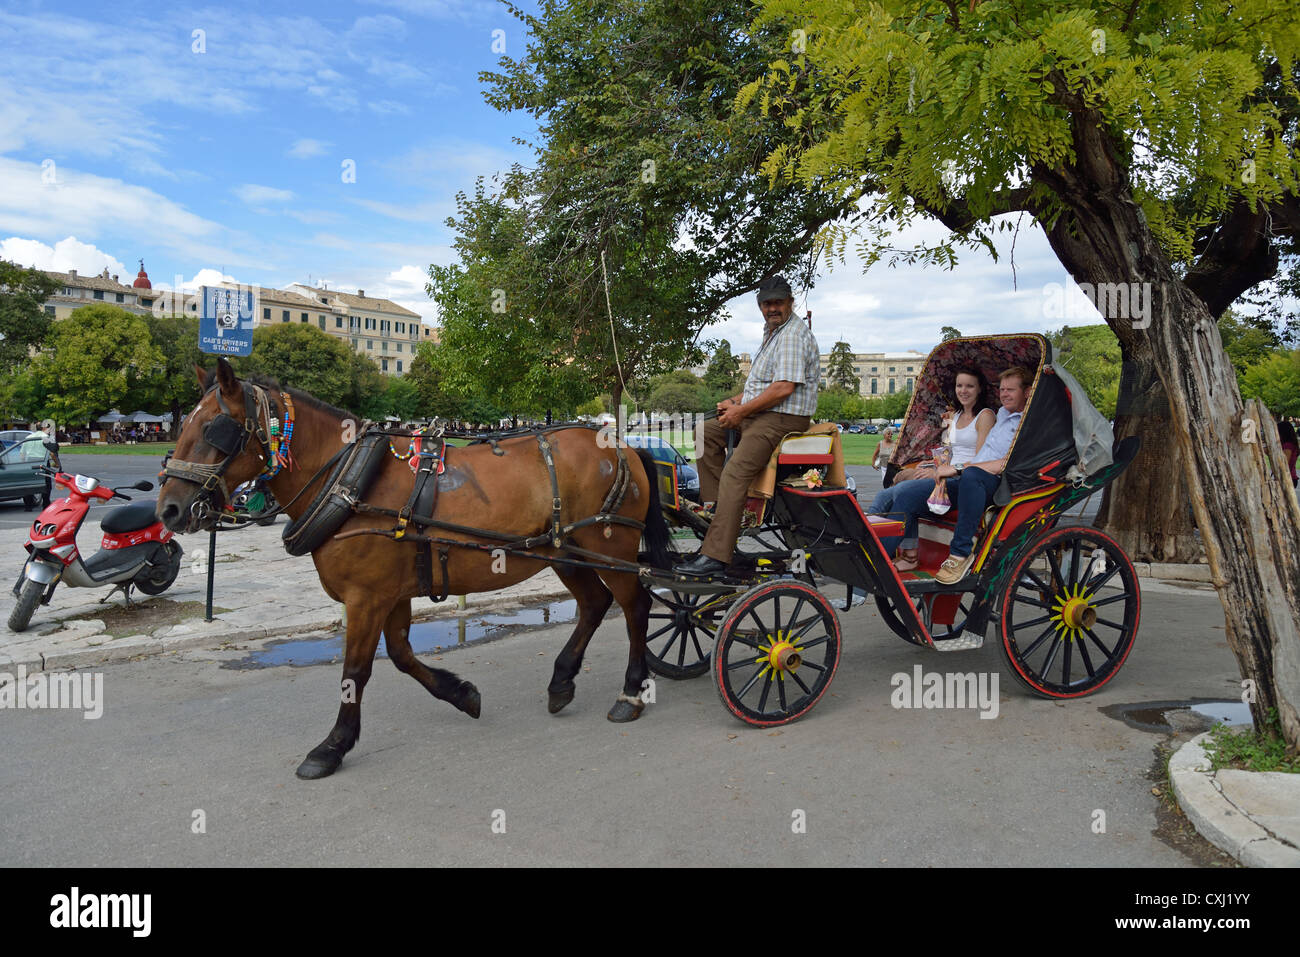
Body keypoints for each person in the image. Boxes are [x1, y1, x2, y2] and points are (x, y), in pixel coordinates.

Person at [675, 275, 820, 577]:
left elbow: (782, 389)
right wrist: (734, 401)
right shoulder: (773, 333)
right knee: (705, 432)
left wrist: (741, 413)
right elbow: (761, 387)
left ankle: (716, 555)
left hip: (782, 418)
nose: (772, 308)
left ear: (790, 302)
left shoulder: (792, 335)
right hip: (763, 412)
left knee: (736, 472)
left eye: (778, 302)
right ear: (760, 306)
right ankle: (717, 517)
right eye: (767, 304)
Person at [883, 366, 1032, 584]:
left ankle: (960, 554)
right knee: (908, 496)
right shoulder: (1002, 413)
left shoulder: (1026, 422)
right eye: (1002, 389)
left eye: (1011, 390)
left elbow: (1005, 464)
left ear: (1027, 392)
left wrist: (957, 468)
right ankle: (881, 556)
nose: (1004, 394)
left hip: (997, 483)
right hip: (972, 479)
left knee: (971, 474)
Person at [868, 366, 996, 570]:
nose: (963, 390)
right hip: (945, 474)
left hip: (965, 479)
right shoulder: (957, 416)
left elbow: (980, 460)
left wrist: (941, 471)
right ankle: (870, 546)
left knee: (904, 492)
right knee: (884, 496)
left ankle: (879, 560)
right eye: (959, 385)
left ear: (979, 389)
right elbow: (949, 452)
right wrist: (929, 466)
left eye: (969, 386)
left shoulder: (985, 416)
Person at [1278, 419, 1298, 487]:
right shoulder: (1290, 444)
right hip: (1289, 478)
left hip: (1288, 479)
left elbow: (1284, 463)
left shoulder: (1288, 445)